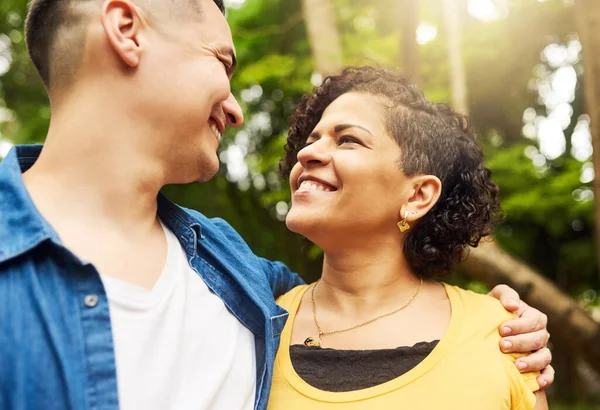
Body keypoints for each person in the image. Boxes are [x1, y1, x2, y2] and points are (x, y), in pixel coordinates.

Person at [0, 1, 551, 410]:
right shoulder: (269, 299)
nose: (236, 109)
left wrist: (505, 321)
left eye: (347, 140)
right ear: (125, 30)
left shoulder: (236, 277)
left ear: (419, 193)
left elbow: (363, 291)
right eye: (222, 61)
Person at [268, 66, 549, 409]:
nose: (305, 154)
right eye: (312, 139)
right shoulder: (259, 321)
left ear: (417, 196)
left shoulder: (502, 336)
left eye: (348, 140)